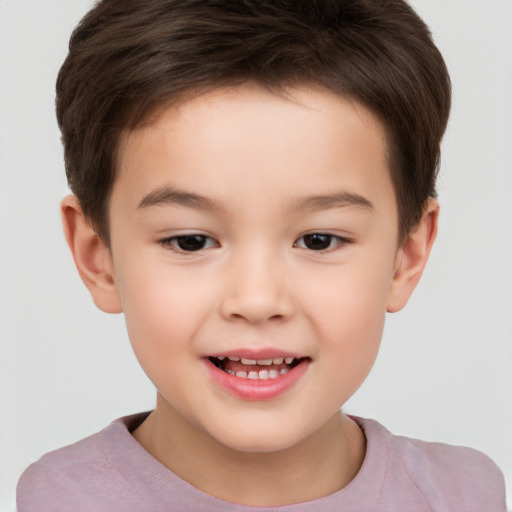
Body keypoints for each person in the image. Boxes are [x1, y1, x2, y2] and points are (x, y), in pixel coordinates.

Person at [16, 0, 507, 510]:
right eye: (190, 241)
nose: (256, 300)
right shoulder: (54, 498)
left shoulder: (468, 495)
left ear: (406, 255)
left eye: (318, 240)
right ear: (99, 257)